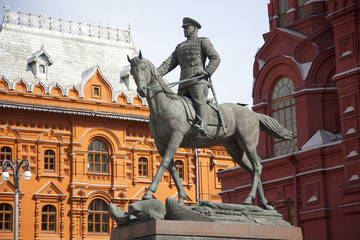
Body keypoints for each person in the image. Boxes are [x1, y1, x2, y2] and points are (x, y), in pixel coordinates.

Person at [157, 17, 221, 135]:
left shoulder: (203, 41)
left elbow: (215, 58)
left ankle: (203, 124)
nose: (185, 30)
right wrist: (155, 73)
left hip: (198, 81)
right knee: (176, 105)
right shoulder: (180, 47)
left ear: (195, 29)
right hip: (183, 83)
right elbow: (168, 64)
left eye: (187, 28)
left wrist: (207, 72)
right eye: (184, 28)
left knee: (199, 101)